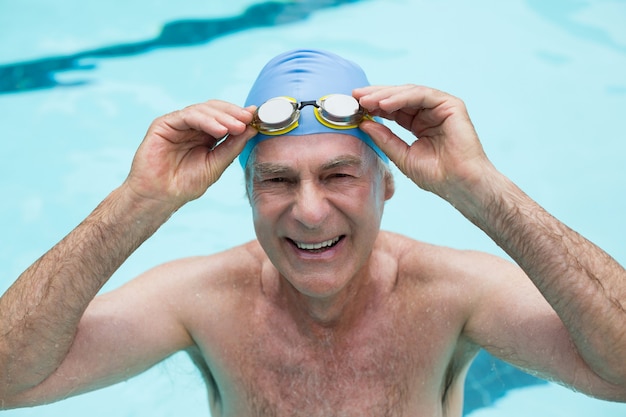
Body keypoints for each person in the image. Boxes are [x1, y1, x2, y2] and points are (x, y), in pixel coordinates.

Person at [0, 48, 625, 416]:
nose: (309, 212)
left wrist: (477, 186)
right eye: (275, 181)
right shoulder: (202, 302)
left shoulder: (452, 295)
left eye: (339, 175)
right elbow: (10, 381)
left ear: (387, 182)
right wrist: (139, 201)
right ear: (246, 192)